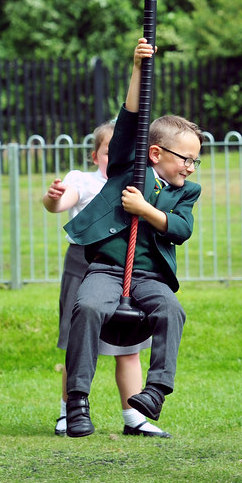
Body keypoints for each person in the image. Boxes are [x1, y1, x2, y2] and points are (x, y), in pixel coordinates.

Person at [62, 36, 202, 438]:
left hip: (150, 278)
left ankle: (155, 390)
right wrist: (139, 68)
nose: (191, 167)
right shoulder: (131, 165)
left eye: (195, 160)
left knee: (172, 311)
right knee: (86, 309)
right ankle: (77, 401)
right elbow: (129, 120)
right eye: (185, 158)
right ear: (156, 154)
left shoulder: (186, 192)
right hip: (107, 270)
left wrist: (147, 211)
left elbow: (181, 229)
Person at [42, 121, 170, 438]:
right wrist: (53, 198)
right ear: (95, 154)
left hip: (125, 269)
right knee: (78, 339)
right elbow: (62, 202)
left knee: (128, 345)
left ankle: (135, 417)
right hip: (83, 264)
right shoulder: (83, 181)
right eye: (107, 151)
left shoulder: (144, 183)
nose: (114, 157)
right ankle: (68, 413)